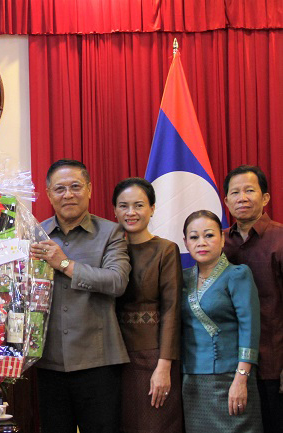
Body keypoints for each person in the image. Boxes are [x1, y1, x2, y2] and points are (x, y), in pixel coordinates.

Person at [30, 159, 131, 433]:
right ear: (49, 194)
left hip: (98, 361)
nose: (68, 194)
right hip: (49, 361)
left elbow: (117, 281)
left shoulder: (111, 232)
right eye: (60, 189)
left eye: (76, 186)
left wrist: (65, 264)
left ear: (89, 189)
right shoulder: (35, 234)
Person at [180, 210, 263, 432]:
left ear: (222, 238)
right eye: (194, 237)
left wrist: (241, 378)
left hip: (231, 377)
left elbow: (250, 327)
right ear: (186, 243)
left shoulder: (237, 274)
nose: (201, 242)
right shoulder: (182, 277)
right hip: (192, 380)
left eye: (209, 235)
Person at [112, 178, 183, 433]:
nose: (131, 213)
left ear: (152, 208)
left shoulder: (165, 249)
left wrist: (164, 366)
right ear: (115, 211)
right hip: (114, 358)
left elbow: (172, 309)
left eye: (138, 205)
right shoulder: (109, 251)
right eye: (123, 206)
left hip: (153, 356)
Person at [222, 165, 282, 433]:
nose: (241, 198)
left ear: (265, 197)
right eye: (235, 192)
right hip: (228, 367)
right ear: (226, 201)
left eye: (249, 191)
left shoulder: (280, 239)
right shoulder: (218, 242)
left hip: (273, 364)